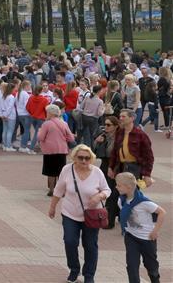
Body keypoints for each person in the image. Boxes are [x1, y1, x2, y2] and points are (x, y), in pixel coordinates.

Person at [48, 144, 110, 283]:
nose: (84, 161)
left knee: (90, 245)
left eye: (87, 158)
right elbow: (58, 190)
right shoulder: (67, 170)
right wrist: (52, 207)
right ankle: (74, 269)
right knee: (70, 242)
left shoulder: (97, 172)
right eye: (80, 158)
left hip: (92, 215)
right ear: (74, 157)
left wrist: (99, 196)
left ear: (91, 159)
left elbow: (107, 190)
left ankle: (89, 275)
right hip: (70, 213)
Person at [116, 171, 165, 283]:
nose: (116, 187)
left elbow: (162, 212)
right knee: (132, 266)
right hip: (131, 237)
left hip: (147, 239)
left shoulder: (144, 203)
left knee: (151, 266)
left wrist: (155, 231)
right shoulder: (121, 201)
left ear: (128, 187)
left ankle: (155, 279)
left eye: (119, 185)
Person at [108, 108, 154, 188]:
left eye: (123, 116)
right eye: (120, 116)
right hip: (120, 167)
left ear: (132, 118)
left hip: (134, 168)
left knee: (132, 193)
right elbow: (114, 152)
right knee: (116, 193)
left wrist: (147, 175)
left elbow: (148, 157)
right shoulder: (120, 133)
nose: (121, 118)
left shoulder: (140, 135)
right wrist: (111, 167)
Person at [38, 104, 76, 196]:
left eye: (47, 112)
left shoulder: (46, 124)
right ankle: (61, 190)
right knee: (61, 171)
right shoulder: (64, 123)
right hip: (62, 149)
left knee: (50, 170)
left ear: (50, 113)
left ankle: (52, 189)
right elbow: (71, 138)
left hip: (49, 150)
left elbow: (40, 137)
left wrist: (39, 132)